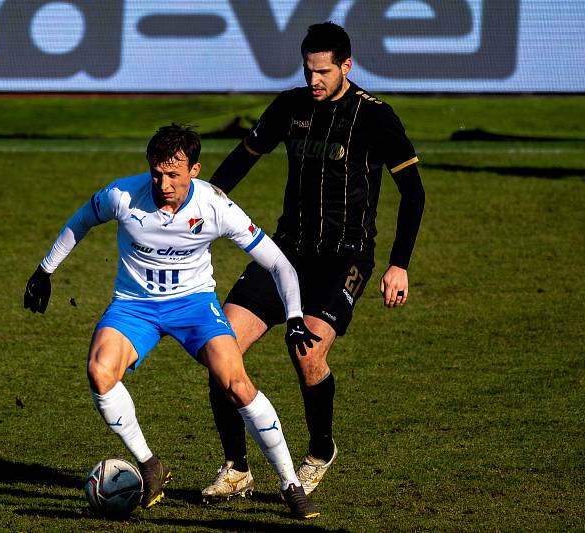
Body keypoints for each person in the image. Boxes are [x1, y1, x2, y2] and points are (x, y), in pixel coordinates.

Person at [23, 124, 322, 519]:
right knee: (99, 372)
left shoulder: (216, 206)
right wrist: (45, 270)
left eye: (174, 174)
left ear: (194, 170)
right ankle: (149, 465)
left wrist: (295, 316)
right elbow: (81, 219)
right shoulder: (122, 195)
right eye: (157, 173)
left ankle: (290, 484)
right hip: (135, 306)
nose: (163, 183)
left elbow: (279, 262)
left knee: (236, 384)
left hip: (194, 306)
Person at [201, 22, 425, 502]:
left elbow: (413, 193)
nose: (314, 80)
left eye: (323, 71)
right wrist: (202, 205)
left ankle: (320, 452)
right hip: (284, 250)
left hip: (344, 257)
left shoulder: (376, 118)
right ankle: (237, 468)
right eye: (308, 70)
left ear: (347, 66)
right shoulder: (290, 106)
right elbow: (244, 158)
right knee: (221, 354)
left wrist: (398, 263)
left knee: (305, 353)